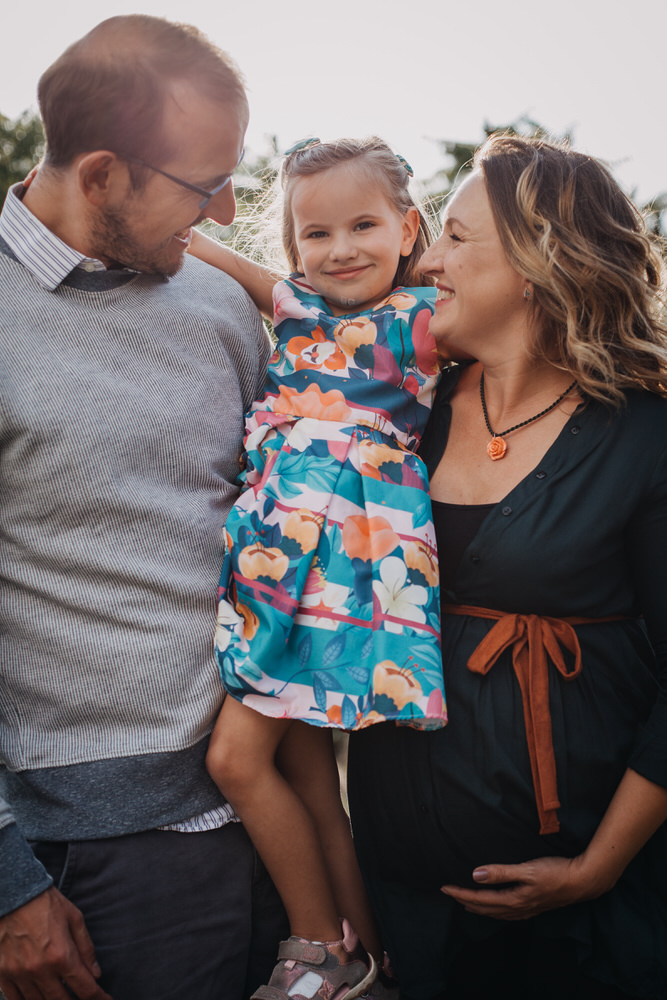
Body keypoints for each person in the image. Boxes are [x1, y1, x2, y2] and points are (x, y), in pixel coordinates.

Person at [0, 15, 289, 1000]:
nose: (227, 208)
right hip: (90, 853)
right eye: (205, 186)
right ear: (100, 175)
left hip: (276, 821)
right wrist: (7, 881)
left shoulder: (217, 303)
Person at [347, 133, 667, 1000]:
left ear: (532, 261)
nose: (427, 257)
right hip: (402, 901)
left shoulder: (643, 432)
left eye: (454, 236)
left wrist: (596, 869)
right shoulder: (401, 410)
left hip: (585, 922)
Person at [188, 137, 447, 999]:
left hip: (340, 570)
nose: (340, 249)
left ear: (409, 227)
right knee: (306, 773)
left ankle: (315, 948)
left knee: (235, 760)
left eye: (364, 224)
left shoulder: (425, 321)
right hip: (272, 563)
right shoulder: (294, 303)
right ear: (293, 245)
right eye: (315, 232)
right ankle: (369, 963)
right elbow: (206, 249)